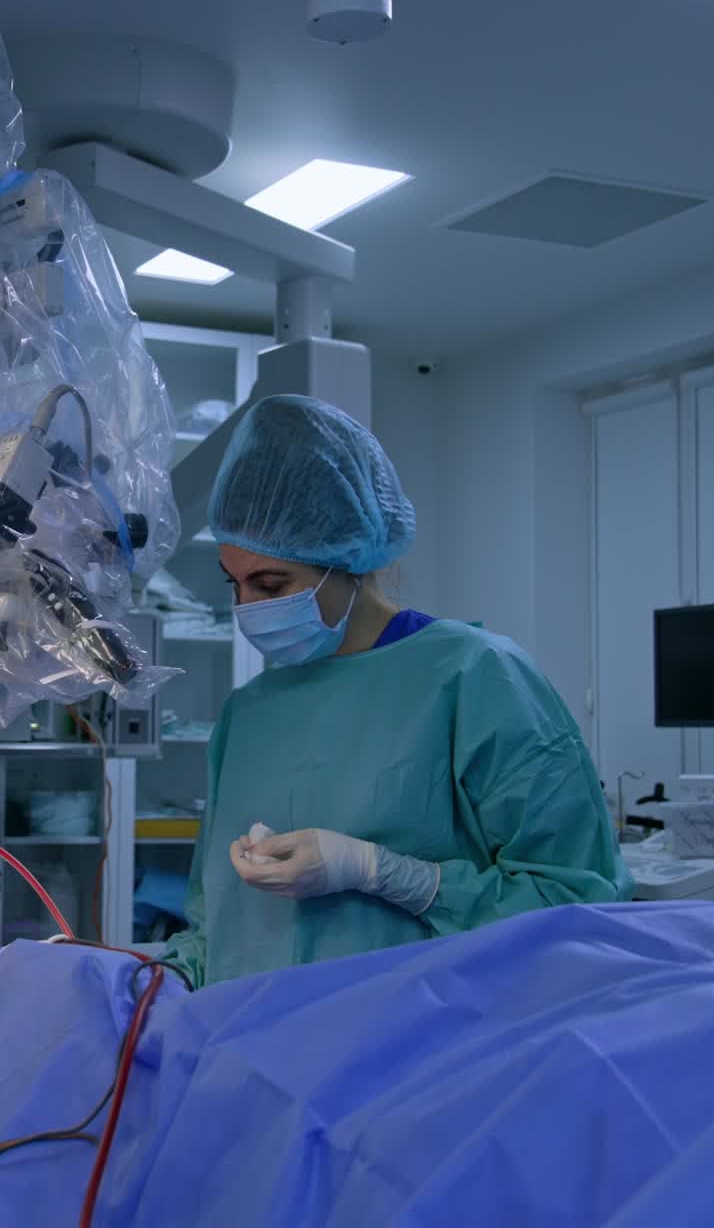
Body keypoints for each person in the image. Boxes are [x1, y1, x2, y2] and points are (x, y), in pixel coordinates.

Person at [159, 394, 631, 989]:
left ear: (346, 560)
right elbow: (215, 926)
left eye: (271, 582)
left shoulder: (477, 678)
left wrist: (388, 873)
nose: (246, 608)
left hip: (418, 1050)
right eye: (235, 584)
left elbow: (575, 901)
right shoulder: (248, 713)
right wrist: (157, 982)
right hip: (252, 1044)